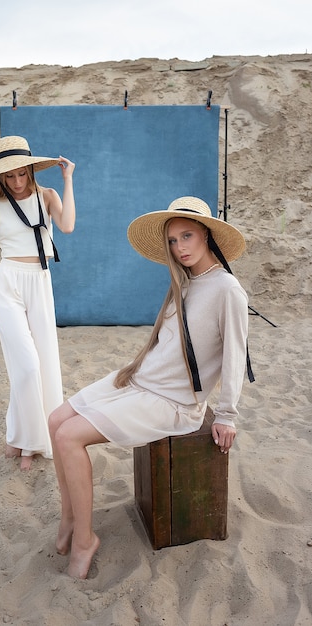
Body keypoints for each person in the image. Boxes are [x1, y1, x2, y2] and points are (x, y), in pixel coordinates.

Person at [48, 195, 252, 579]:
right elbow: (165, 343)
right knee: (56, 418)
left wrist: (226, 415)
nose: (180, 248)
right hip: (141, 380)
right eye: (173, 241)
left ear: (207, 235)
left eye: (188, 236)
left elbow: (234, 357)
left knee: (69, 437)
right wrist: (131, 371)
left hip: (172, 402)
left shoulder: (227, 290)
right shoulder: (186, 282)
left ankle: (85, 539)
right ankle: (70, 516)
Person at [0, 135, 76, 471]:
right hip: (7, 285)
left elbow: (66, 227)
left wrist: (67, 180)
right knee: (26, 366)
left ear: (31, 171)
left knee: (44, 362)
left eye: (22, 173)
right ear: (0, 177)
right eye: (10, 176)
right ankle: (27, 443)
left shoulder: (48, 196)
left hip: (39, 283)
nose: (18, 182)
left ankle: (21, 437)